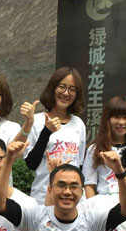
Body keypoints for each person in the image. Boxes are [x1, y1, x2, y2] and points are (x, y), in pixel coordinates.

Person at [24, 67, 87, 204]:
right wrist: (46, 132)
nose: (66, 93)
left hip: (72, 199)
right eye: (62, 87)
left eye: (72, 89)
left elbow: (80, 164)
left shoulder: (78, 124)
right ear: (53, 88)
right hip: (43, 196)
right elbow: (31, 163)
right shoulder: (36, 121)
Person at [82, 96, 126, 198]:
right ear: (107, 119)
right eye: (116, 117)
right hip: (103, 203)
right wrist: (92, 206)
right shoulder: (95, 149)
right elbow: (89, 185)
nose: (121, 122)